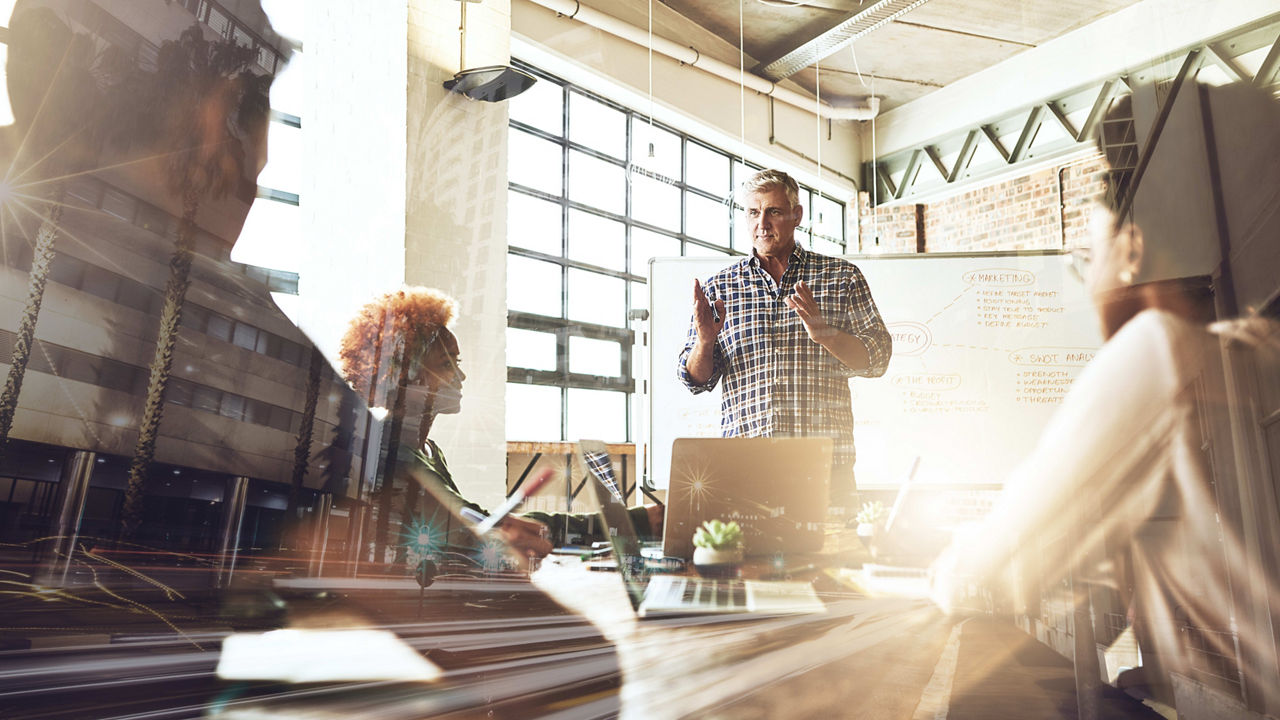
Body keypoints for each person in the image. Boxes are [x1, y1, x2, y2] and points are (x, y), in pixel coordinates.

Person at [932, 81, 1280, 710]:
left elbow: (996, 550)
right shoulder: (1246, 344)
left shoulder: (1156, 345)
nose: (1079, 268)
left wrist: (943, 571)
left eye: (1082, 252)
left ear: (1132, 247)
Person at [339, 286, 662, 561]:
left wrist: (633, 521)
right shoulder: (393, 454)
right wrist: (634, 522)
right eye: (445, 363)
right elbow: (472, 538)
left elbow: (480, 521)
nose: (461, 375)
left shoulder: (427, 450)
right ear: (409, 376)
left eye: (457, 361)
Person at [678, 169, 892, 508]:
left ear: (796, 215)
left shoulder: (841, 277)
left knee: (835, 561)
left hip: (826, 473)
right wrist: (705, 342)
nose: (761, 223)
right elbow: (696, 380)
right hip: (745, 473)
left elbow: (877, 358)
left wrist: (826, 336)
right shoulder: (719, 288)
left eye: (773, 211)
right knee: (746, 564)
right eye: (752, 212)